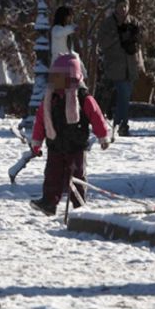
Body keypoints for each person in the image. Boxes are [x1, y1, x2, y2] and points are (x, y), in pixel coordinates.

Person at [29, 54, 110, 216]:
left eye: (62, 76)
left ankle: (79, 206)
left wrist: (103, 136)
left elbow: (96, 116)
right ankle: (49, 202)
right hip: (55, 145)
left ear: (73, 77)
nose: (58, 80)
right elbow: (41, 121)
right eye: (55, 76)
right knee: (52, 175)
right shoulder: (49, 98)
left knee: (77, 175)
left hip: (76, 146)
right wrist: (37, 142)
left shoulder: (83, 98)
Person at [98, 0, 143, 136]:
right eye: (120, 6)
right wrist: (118, 36)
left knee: (125, 96)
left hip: (131, 65)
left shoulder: (134, 21)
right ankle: (120, 124)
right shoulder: (108, 23)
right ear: (115, 7)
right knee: (122, 94)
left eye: (125, 6)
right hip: (115, 65)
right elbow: (103, 43)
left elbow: (140, 42)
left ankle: (119, 123)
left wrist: (141, 64)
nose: (123, 9)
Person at [51, 5, 87, 77]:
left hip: (68, 64)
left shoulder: (67, 30)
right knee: (61, 86)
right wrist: (73, 28)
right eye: (69, 16)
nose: (70, 18)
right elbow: (60, 33)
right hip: (59, 65)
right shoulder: (56, 29)